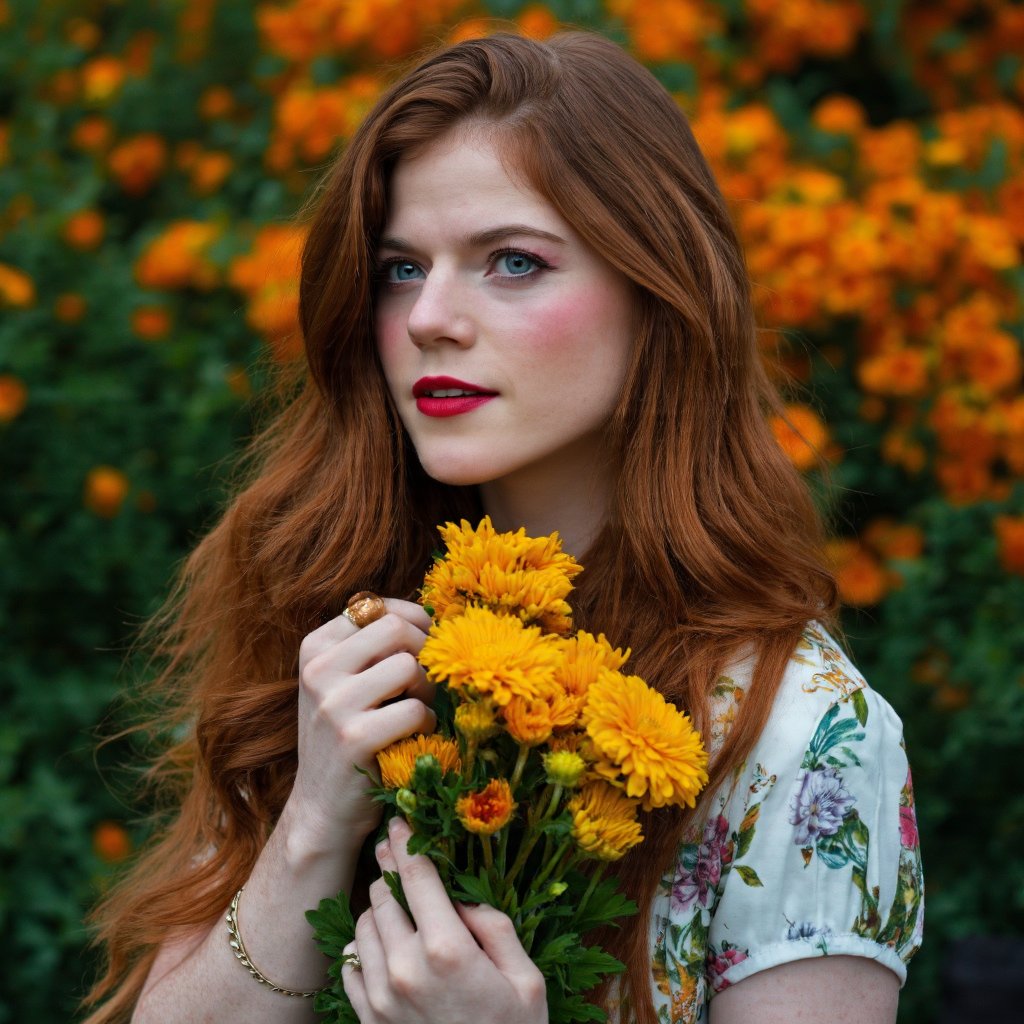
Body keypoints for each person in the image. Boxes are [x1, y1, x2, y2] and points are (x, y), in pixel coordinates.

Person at [83, 29, 924, 1024]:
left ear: (658, 291)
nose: (431, 315)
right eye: (400, 268)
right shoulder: (335, 629)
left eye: (512, 262)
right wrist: (312, 822)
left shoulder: (800, 733)